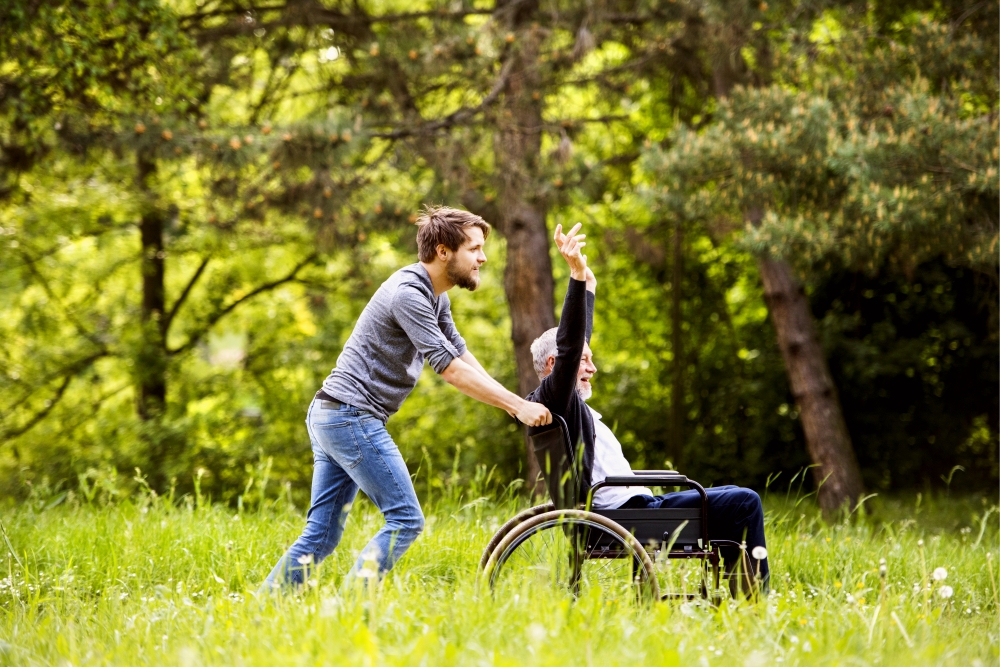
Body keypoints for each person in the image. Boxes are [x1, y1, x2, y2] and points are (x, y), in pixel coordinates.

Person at [263, 206, 551, 590]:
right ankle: (350, 611)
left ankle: (267, 605)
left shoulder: (435, 296)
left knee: (322, 534)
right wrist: (518, 407)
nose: (483, 257)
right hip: (350, 415)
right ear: (444, 251)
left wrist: (517, 401)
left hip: (332, 413)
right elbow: (448, 368)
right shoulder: (408, 294)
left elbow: (462, 354)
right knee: (405, 519)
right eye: (475, 248)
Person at [527, 222, 769, 590]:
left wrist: (587, 283)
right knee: (743, 502)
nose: (592, 366)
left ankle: (739, 594)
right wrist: (576, 277)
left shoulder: (566, 405)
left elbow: (578, 337)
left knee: (730, 503)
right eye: (584, 359)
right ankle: (753, 600)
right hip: (627, 519)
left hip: (631, 512)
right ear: (553, 365)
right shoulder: (556, 399)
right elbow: (572, 342)